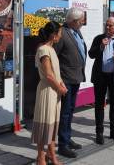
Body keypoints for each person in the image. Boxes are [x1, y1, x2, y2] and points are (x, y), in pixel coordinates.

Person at [88, 17, 114, 145]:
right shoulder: (99, 38)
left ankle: (113, 131)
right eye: (106, 25)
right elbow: (91, 54)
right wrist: (101, 46)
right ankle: (99, 133)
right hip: (100, 77)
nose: (107, 28)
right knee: (99, 105)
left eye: (110, 26)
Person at [31, 21, 67, 165]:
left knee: (52, 125)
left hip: (54, 91)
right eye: (59, 33)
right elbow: (48, 75)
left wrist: (61, 83)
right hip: (47, 91)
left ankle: (52, 156)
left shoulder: (50, 49)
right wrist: (60, 88)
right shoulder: (44, 50)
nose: (60, 36)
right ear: (53, 35)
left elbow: (55, 73)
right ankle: (41, 158)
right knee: (44, 125)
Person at [54, 7, 86, 158]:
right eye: (81, 21)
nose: (83, 23)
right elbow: (55, 58)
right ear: (73, 21)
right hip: (66, 79)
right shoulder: (62, 33)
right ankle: (62, 145)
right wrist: (59, 80)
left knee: (71, 110)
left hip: (76, 77)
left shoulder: (76, 31)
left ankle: (67, 137)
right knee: (65, 113)